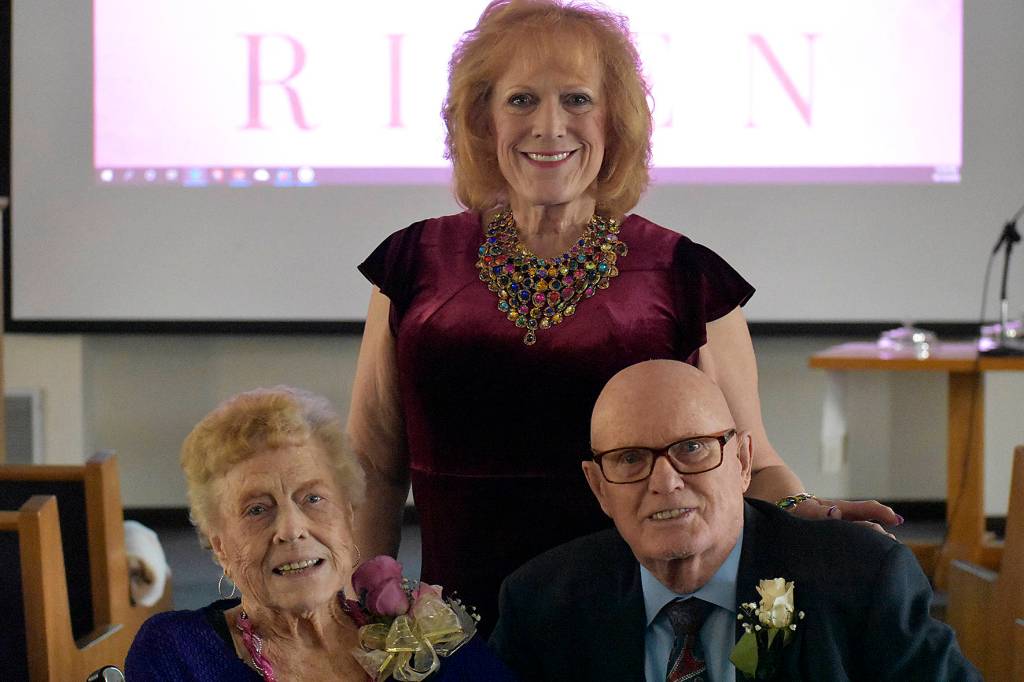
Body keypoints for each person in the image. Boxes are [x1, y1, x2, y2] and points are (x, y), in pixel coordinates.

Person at [349, 0, 898, 632]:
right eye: (521, 100)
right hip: (460, 631)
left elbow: (754, 464)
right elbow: (371, 465)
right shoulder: (413, 262)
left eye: (577, 99)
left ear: (615, 119)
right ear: (483, 119)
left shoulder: (683, 275)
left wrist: (814, 519)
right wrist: (360, 607)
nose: (549, 126)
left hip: (629, 632)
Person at [489, 360, 979, 681]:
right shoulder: (545, 604)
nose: (665, 481)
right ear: (599, 487)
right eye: (630, 458)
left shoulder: (859, 580)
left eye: (692, 448)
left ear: (743, 462)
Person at [125, 387, 513, 681]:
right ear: (221, 545)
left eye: (313, 498)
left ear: (347, 515)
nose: (292, 530)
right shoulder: (180, 652)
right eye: (257, 509)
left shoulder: (422, 631)